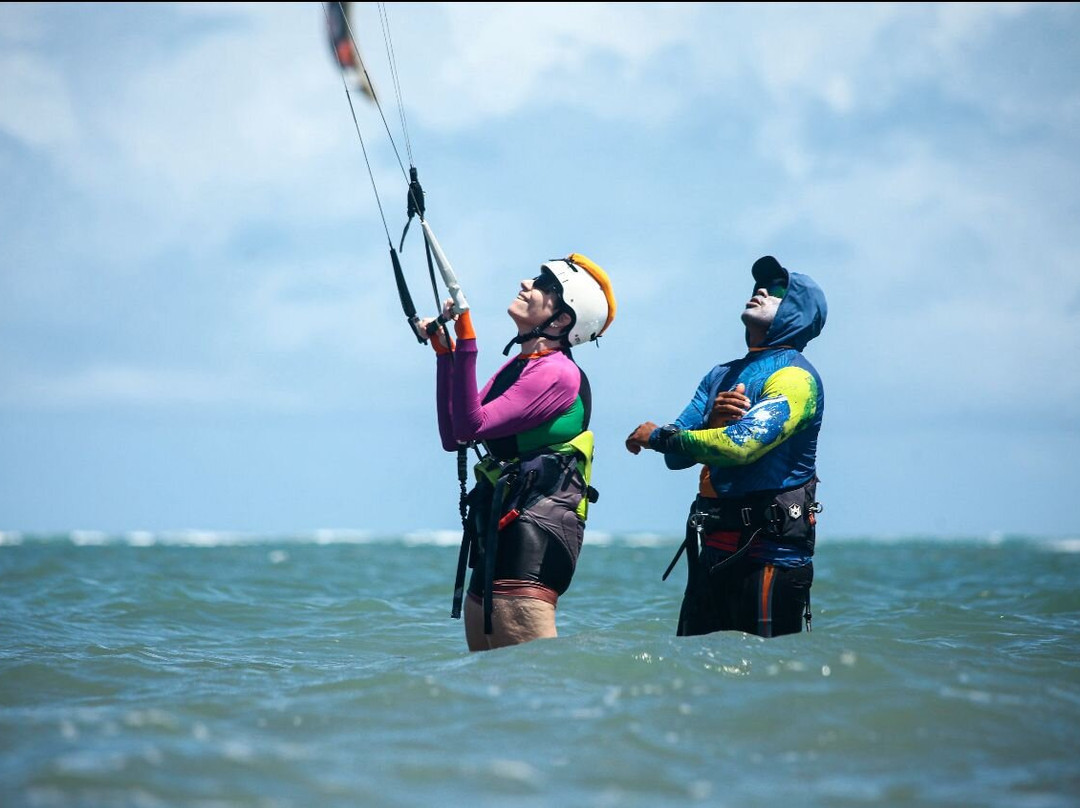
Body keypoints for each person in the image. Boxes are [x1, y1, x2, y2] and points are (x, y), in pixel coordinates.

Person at [419, 254, 616, 651]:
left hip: (535, 531)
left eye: (545, 284)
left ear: (561, 320)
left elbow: (469, 425)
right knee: (489, 684)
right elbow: (456, 435)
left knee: (530, 685)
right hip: (503, 524)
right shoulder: (522, 366)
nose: (527, 282)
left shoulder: (556, 373)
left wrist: (467, 334)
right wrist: (447, 355)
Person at [625, 255, 827, 639]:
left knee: (764, 685)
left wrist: (656, 436)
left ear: (798, 313)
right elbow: (675, 459)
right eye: (758, 288)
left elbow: (740, 447)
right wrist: (711, 422)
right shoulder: (719, 375)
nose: (762, 292)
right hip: (713, 550)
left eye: (778, 292)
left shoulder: (796, 379)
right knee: (697, 680)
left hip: (771, 558)